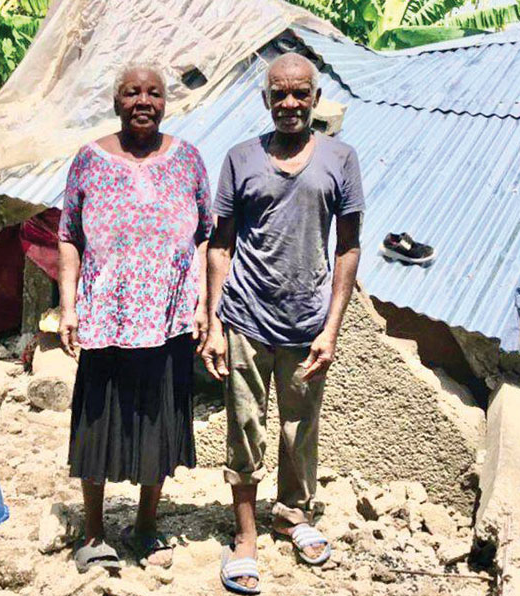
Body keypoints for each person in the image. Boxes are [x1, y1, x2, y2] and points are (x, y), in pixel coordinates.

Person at [201, 52, 363, 594]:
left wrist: (333, 327)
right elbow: (219, 244)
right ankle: (245, 537)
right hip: (247, 316)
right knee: (245, 427)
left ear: (315, 99)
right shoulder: (240, 158)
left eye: (300, 93)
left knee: (301, 430)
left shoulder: (341, 158)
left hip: (308, 323)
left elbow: (349, 247)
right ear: (265, 99)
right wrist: (217, 321)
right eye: (279, 93)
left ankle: (291, 516)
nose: (289, 103)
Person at [57, 62, 212, 572]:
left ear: (166, 102)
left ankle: (146, 525)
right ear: (115, 101)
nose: (143, 101)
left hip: (167, 321)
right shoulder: (88, 160)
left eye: (153, 93)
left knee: (159, 422)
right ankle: (95, 533)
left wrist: (204, 303)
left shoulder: (189, 159)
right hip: (107, 318)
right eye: (131, 93)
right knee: (97, 424)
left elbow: (206, 233)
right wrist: (67, 306)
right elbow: (69, 239)